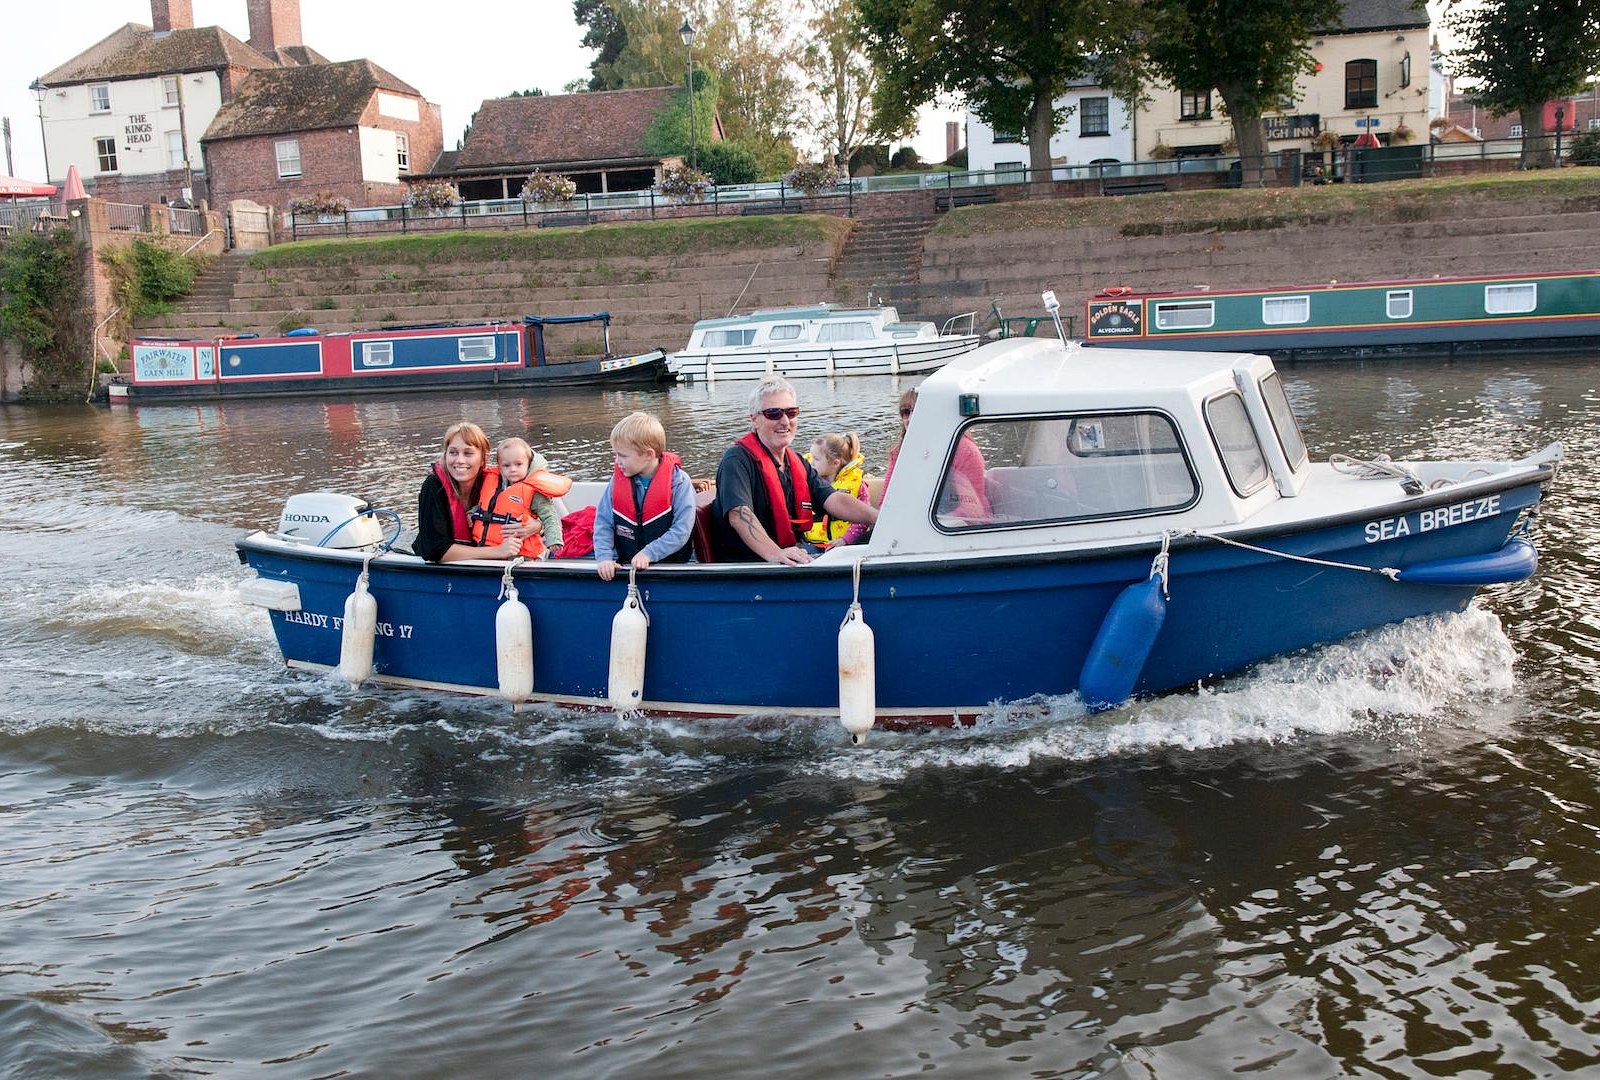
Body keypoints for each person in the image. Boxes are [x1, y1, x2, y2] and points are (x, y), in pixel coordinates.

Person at [710, 378, 878, 564]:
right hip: (752, 567)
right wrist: (775, 553)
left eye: (791, 412)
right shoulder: (736, 460)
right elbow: (739, 514)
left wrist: (878, 517)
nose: (784, 421)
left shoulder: (796, 461)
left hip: (791, 557)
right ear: (755, 420)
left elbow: (833, 499)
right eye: (773, 413)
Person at [594, 411, 697, 580]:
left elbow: (681, 531)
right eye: (615, 454)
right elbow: (603, 523)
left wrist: (649, 553)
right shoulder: (616, 481)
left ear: (648, 454)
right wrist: (605, 558)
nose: (616, 461)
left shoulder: (679, 482)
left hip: (672, 568)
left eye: (623, 455)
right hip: (627, 565)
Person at [415, 422, 534, 563]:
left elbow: (533, 461)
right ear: (445, 455)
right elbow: (435, 551)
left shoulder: (495, 483)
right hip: (439, 569)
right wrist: (498, 551)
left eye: (468, 453)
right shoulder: (433, 486)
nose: (459, 460)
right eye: (453, 452)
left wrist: (536, 526)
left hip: (486, 560)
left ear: (484, 458)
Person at [471, 437, 569, 559]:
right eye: (506, 465)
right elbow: (486, 506)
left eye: (518, 464)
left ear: (528, 463)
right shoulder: (492, 481)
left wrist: (554, 540)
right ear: (500, 466)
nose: (513, 469)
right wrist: (473, 513)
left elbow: (549, 516)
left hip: (521, 553)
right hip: (488, 549)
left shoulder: (534, 490)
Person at [802, 431, 869, 550]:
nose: (811, 463)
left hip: (844, 546)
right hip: (811, 544)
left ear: (835, 463)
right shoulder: (809, 482)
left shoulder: (858, 485)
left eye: (816, 459)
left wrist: (845, 540)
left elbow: (863, 520)